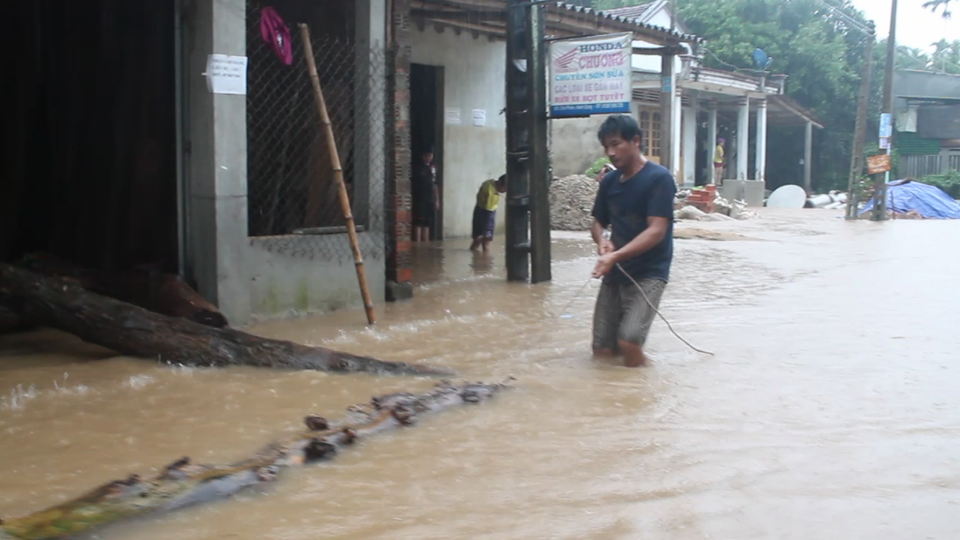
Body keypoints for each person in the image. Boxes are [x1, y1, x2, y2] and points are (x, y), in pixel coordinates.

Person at [590, 114, 676, 368]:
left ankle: (641, 385)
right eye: (607, 147)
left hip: (650, 272)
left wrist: (614, 255)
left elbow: (656, 231)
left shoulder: (659, 179)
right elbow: (597, 222)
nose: (611, 152)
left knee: (629, 341)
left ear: (635, 141)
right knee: (602, 349)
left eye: (616, 144)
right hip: (615, 271)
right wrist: (602, 241)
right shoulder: (609, 181)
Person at [469, 175, 507, 252]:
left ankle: (474, 256)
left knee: (477, 239)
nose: (505, 192)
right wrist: (486, 231)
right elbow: (489, 212)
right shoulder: (492, 195)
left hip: (478, 210)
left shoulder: (487, 183)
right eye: (505, 189)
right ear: (500, 184)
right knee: (486, 241)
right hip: (487, 214)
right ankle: (486, 261)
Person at [412, 147, 439, 243]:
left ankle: (425, 245)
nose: (429, 158)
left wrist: (437, 200)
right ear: (423, 156)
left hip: (430, 199)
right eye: (427, 155)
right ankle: (418, 244)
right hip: (420, 199)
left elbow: (435, 185)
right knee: (419, 222)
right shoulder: (418, 168)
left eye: (431, 156)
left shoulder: (432, 169)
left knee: (427, 224)